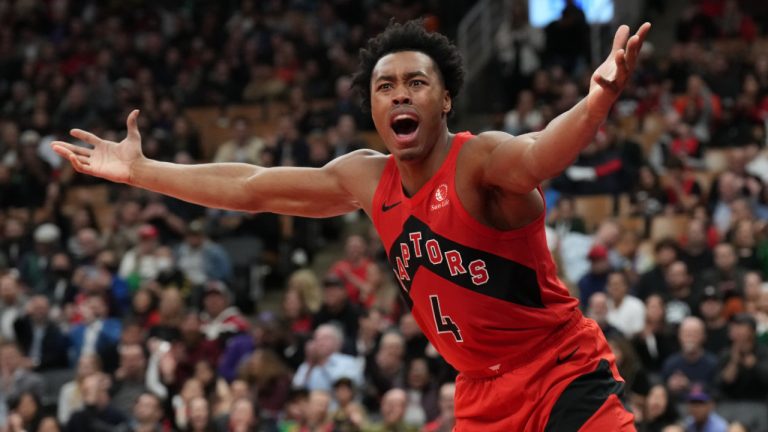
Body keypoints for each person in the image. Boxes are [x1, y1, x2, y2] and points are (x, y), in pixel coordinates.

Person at [52, 19, 651, 431]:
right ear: (372, 107)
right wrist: (143, 171)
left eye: (416, 83)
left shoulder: (481, 160)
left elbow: (542, 152)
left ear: (444, 100)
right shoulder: (366, 178)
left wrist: (597, 100)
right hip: (479, 392)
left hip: (558, 370)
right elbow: (252, 187)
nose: (399, 96)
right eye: (384, 87)